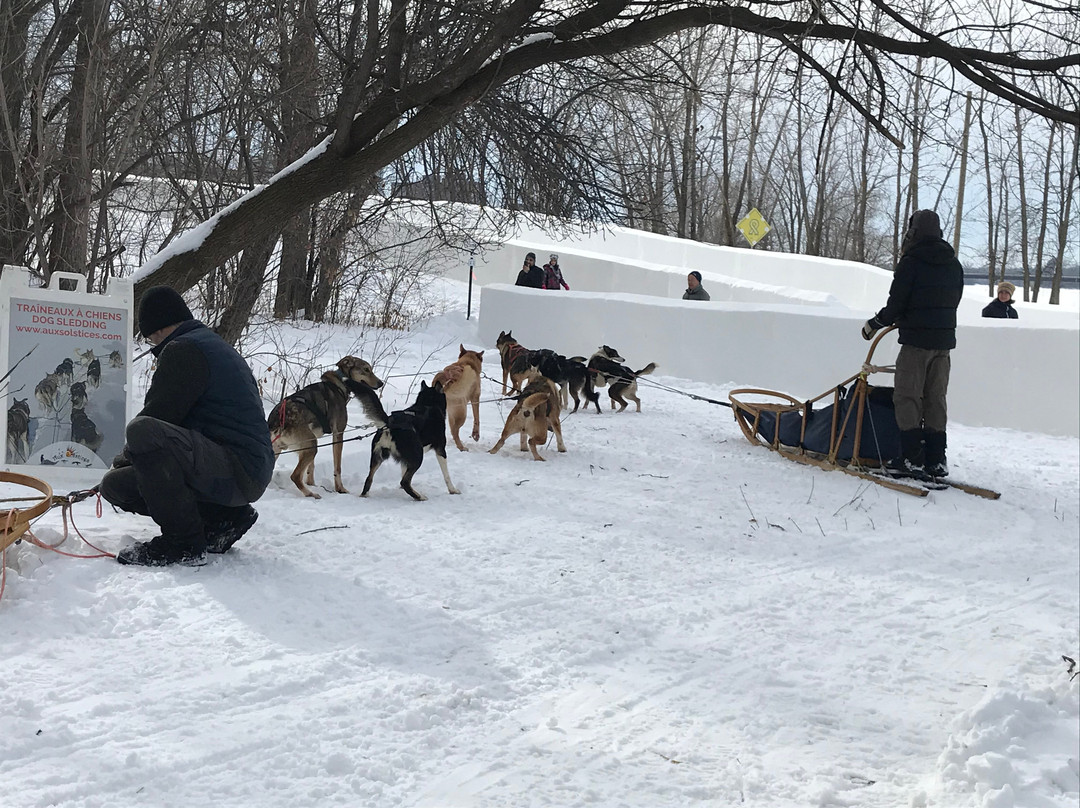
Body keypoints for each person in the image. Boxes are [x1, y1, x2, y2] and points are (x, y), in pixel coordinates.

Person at [99, 286, 274, 566]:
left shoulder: (184, 350)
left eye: (150, 339)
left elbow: (158, 418)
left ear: (156, 330)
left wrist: (121, 459)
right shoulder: (208, 344)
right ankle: (224, 519)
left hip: (236, 468)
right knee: (116, 486)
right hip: (245, 471)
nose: (152, 347)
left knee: (140, 431)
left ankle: (182, 543)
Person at [861, 210, 964, 479]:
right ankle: (936, 459)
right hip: (943, 343)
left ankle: (911, 459)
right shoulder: (953, 264)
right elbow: (955, 300)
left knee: (907, 397)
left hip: (916, 342)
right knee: (935, 398)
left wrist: (874, 323)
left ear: (913, 232)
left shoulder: (911, 262)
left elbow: (896, 305)